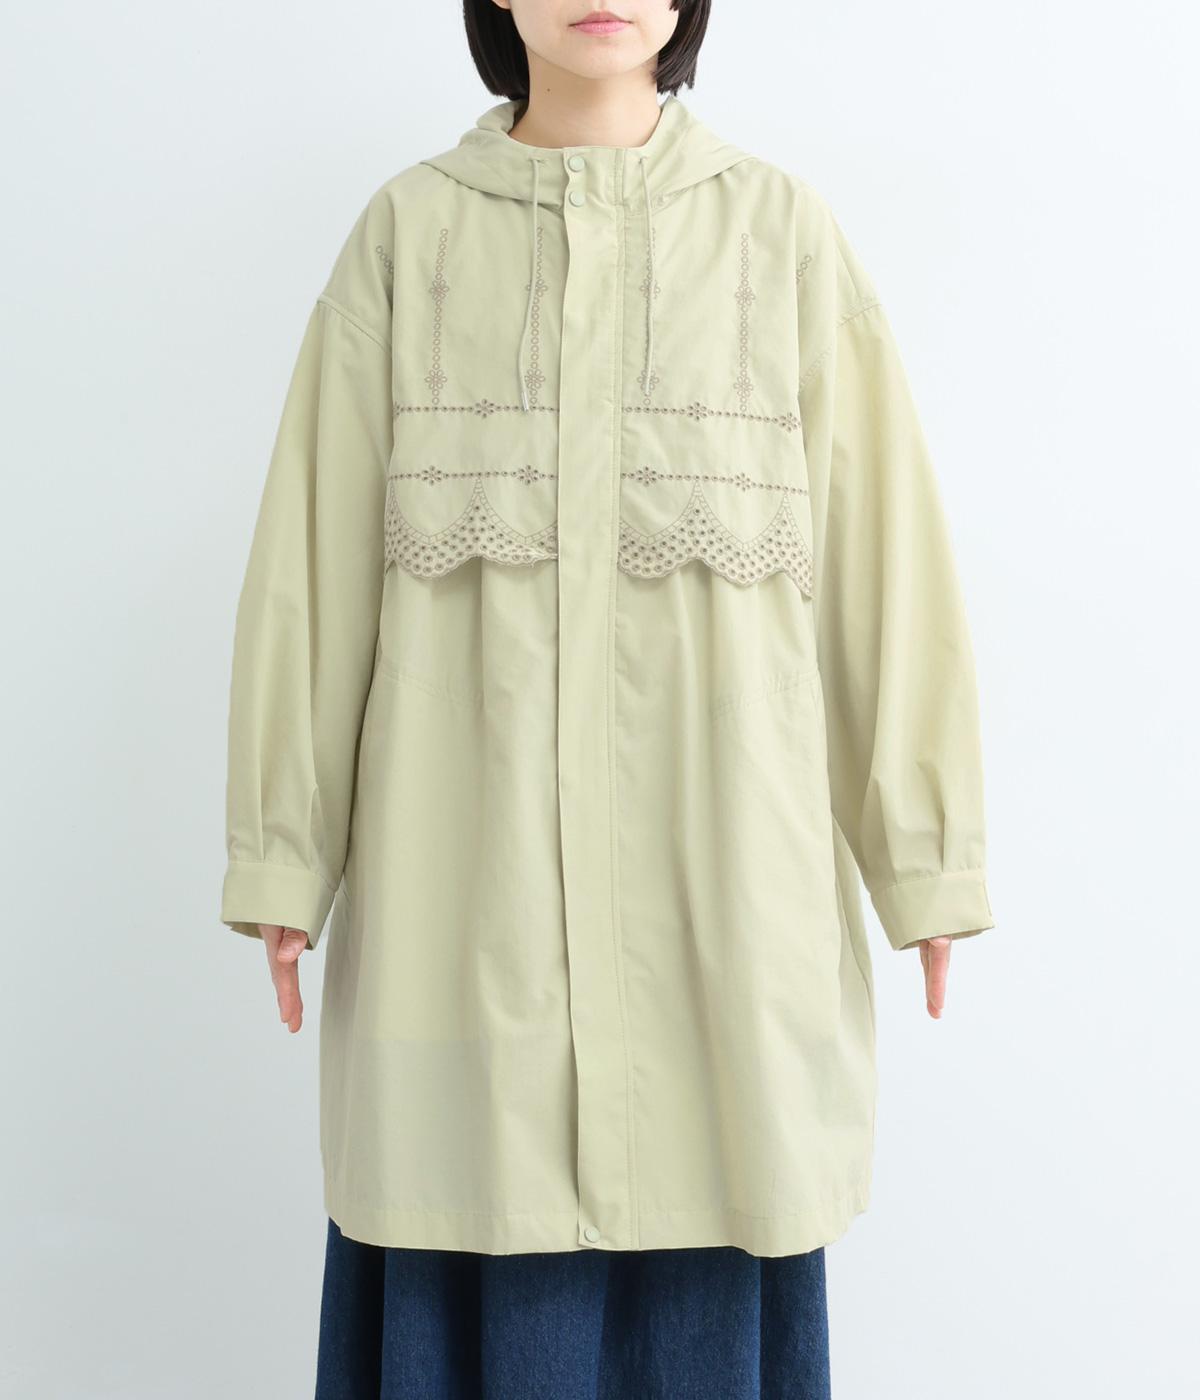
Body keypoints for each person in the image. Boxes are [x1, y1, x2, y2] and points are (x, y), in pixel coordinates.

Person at [218, 2, 996, 1395]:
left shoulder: (781, 238)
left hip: (725, 929)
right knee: (471, 1194)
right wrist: (284, 848)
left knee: (722, 1197)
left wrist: (926, 859)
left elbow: (885, 562)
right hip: (465, 928)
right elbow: (312, 566)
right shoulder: (408, 237)